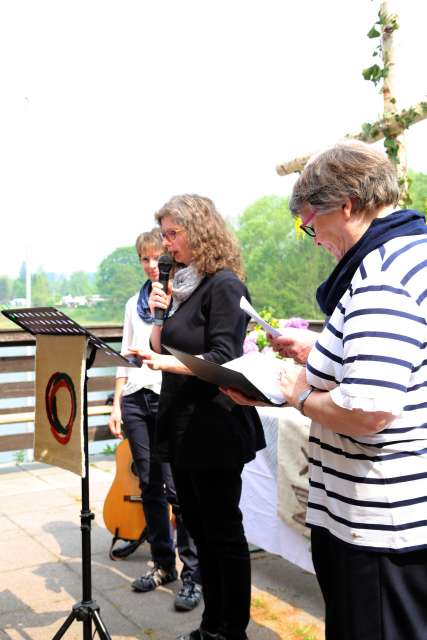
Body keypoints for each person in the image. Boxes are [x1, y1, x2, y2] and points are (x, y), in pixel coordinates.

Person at [222, 141, 427, 640]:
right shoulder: (412, 254)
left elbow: (370, 411)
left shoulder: (380, 278)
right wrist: (318, 347)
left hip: (376, 524)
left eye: (309, 222)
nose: (311, 237)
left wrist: (294, 392)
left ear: (348, 205)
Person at [130, 195, 265, 640]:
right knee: (201, 534)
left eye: (173, 234)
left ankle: (233, 630)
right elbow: (159, 343)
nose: (167, 245)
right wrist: (159, 309)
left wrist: (164, 362)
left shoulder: (224, 285)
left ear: (200, 231)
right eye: (164, 235)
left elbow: (225, 358)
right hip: (182, 426)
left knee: (223, 535)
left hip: (215, 427)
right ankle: (210, 625)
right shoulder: (182, 287)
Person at [108, 228, 202, 612]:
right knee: (148, 485)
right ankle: (163, 564)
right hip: (135, 398)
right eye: (144, 259)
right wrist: (116, 403)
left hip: (168, 397)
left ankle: (193, 573)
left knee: (177, 488)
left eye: (156, 258)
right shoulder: (134, 303)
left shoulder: (178, 297)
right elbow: (124, 356)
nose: (151, 265)